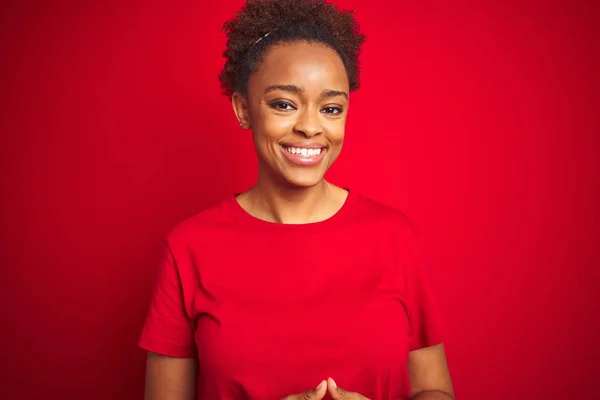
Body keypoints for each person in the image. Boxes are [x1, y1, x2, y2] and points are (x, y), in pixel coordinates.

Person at [138, 0, 455, 399]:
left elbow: (435, 391)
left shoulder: (394, 237)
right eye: (284, 104)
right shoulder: (189, 248)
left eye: (331, 108)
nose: (309, 126)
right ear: (243, 108)